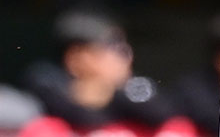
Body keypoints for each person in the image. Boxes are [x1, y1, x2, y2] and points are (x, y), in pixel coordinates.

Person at [21, 9, 176, 134]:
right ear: (76, 56)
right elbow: (85, 117)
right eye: (114, 47)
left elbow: (162, 113)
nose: (127, 55)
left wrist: (111, 91)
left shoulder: (129, 84)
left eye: (125, 46)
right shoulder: (47, 79)